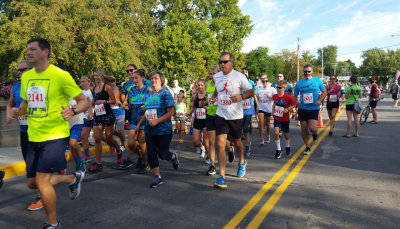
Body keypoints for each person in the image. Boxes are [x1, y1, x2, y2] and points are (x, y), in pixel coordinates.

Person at [9, 38, 87, 228]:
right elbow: (27, 104)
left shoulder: (60, 75)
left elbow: (84, 101)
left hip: (55, 135)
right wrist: (18, 111)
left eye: (33, 49)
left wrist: (74, 110)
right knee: (31, 183)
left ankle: (52, 223)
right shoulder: (27, 78)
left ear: (46, 52)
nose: (28, 52)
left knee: (42, 181)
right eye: (27, 49)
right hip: (33, 135)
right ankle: (71, 178)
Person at [210, 52, 254, 188]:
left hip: (236, 116)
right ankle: (222, 177)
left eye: (225, 62)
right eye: (221, 62)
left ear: (232, 63)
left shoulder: (239, 76)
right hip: (221, 113)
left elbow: (251, 91)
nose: (222, 64)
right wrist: (214, 97)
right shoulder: (217, 76)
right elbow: (218, 89)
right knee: (220, 143)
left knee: (237, 142)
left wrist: (241, 96)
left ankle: (241, 161)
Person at [6, 60, 44, 210]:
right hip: (24, 133)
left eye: (23, 70)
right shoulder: (15, 87)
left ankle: (41, 196)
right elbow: (10, 104)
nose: (20, 73)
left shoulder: (38, 85)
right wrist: (9, 115)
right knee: (30, 166)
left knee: (37, 166)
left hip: (38, 132)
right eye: (18, 71)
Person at [136, 70, 179, 188]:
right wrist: (140, 124)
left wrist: (157, 121)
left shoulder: (165, 94)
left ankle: (173, 157)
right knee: (151, 153)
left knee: (163, 154)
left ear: (161, 80)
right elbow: (148, 111)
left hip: (164, 130)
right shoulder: (149, 95)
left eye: (156, 78)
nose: (153, 80)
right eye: (152, 78)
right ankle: (157, 177)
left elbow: (171, 112)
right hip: (149, 130)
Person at [89, 69, 122, 172]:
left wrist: (104, 101)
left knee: (108, 138)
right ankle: (98, 163)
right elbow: (94, 100)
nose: (95, 77)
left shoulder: (107, 87)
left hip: (108, 115)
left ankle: (118, 150)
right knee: (97, 139)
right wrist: (92, 103)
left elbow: (114, 101)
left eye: (97, 76)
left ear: (102, 76)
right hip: (98, 115)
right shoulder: (93, 88)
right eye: (94, 76)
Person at [120, 69, 152, 172]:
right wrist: (125, 107)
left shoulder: (148, 89)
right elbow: (130, 106)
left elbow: (156, 100)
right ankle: (142, 157)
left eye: (136, 78)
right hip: (134, 120)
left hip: (144, 120)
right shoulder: (131, 91)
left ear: (142, 78)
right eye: (132, 78)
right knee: (131, 144)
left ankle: (145, 163)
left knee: (142, 144)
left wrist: (147, 105)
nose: (134, 80)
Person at [293, 64, 327, 155]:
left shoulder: (317, 80)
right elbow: (294, 95)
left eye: (308, 71)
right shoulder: (299, 83)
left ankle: (315, 135)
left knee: (312, 128)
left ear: (312, 71)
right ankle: (307, 147)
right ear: (303, 72)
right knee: (303, 128)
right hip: (303, 108)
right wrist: (296, 101)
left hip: (313, 108)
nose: (307, 73)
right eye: (305, 71)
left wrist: (320, 100)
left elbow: (324, 92)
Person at [272, 80, 295, 158]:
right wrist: (272, 111)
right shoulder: (275, 96)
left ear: (284, 88)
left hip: (285, 118)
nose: (278, 89)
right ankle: (278, 150)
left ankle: (287, 146)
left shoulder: (287, 96)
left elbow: (293, 104)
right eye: (277, 87)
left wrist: (288, 109)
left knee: (286, 134)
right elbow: (274, 104)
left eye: (279, 87)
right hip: (277, 117)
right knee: (276, 132)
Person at [187, 79, 209, 159]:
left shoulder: (208, 95)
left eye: (202, 85)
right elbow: (193, 107)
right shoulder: (194, 96)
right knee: (195, 141)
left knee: (207, 142)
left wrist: (208, 109)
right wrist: (189, 113)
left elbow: (213, 107)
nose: (200, 87)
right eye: (198, 85)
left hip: (206, 120)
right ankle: (202, 148)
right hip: (197, 120)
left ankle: (209, 157)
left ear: (205, 86)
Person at [106, 76, 126, 155]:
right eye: (109, 82)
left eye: (113, 81)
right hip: (110, 112)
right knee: (109, 132)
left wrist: (119, 102)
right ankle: (113, 145)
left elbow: (125, 102)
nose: (111, 83)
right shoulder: (107, 91)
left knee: (119, 130)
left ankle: (122, 144)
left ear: (115, 81)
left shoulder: (120, 90)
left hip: (120, 112)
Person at [257, 76, 277, 145]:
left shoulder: (272, 89)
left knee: (268, 123)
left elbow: (275, 98)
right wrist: (257, 105)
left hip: (268, 108)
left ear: (268, 82)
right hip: (261, 107)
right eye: (263, 81)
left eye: (266, 81)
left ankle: (268, 136)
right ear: (261, 82)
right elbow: (256, 98)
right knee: (261, 123)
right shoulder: (259, 89)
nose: (265, 83)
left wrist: (269, 96)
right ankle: (261, 138)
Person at [79, 76, 94, 162]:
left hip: (95, 115)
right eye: (81, 82)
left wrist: (90, 109)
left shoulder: (92, 90)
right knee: (83, 136)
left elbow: (93, 102)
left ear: (89, 82)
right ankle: (87, 156)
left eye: (84, 82)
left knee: (100, 137)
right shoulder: (81, 92)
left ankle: (113, 145)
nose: (82, 84)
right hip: (85, 117)